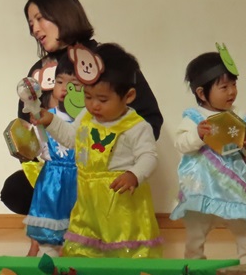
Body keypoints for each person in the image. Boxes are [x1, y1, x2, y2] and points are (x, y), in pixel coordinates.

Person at [2, 0, 163, 222]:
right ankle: (58, 229)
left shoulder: (105, 60)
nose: (34, 29)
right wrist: (25, 146)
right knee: (15, 190)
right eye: (30, 23)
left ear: (63, 14)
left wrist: (119, 158)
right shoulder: (38, 71)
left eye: (40, 18)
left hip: (103, 166)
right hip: (56, 165)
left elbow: (150, 117)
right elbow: (27, 124)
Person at [35, 43, 162, 259]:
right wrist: (50, 121)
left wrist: (134, 174)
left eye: (103, 99)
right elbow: (71, 138)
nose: (94, 105)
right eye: (88, 96)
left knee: (125, 251)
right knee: (84, 249)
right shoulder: (86, 117)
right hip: (88, 201)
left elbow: (149, 156)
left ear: (129, 96)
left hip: (121, 203)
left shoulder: (136, 126)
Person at [170, 48, 246, 263]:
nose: (232, 92)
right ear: (202, 93)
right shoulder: (194, 118)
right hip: (202, 188)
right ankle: (194, 265)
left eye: (234, 85)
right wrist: (197, 135)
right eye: (224, 87)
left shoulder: (240, 117)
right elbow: (181, 143)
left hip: (235, 188)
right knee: (195, 233)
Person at [23, 55, 78, 257]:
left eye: (74, 85)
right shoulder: (46, 115)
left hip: (79, 180)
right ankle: (46, 257)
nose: (64, 89)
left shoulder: (86, 119)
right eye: (60, 82)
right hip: (52, 181)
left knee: (77, 227)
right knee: (49, 227)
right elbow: (37, 147)